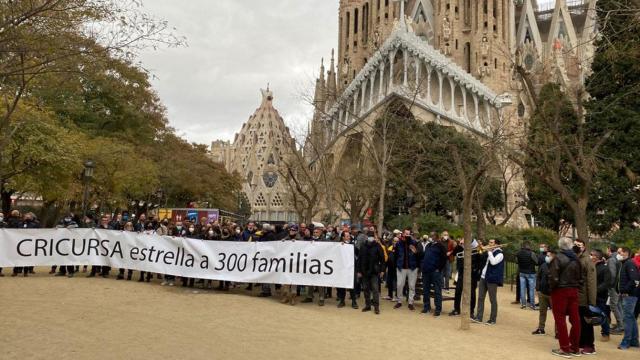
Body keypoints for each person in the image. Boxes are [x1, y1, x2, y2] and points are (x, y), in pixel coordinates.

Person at [548, 237, 582, 358]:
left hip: (560, 290)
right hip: (574, 289)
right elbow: (580, 276)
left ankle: (565, 348)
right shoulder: (576, 259)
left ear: (560, 246)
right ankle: (575, 347)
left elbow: (553, 277)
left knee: (560, 320)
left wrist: (551, 289)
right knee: (575, 319)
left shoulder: (558, 258)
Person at [473, 239, 504, 325]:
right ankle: (479, 317)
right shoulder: (489, 252)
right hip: (484, 277)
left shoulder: (500, 254)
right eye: (489, 242)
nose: (489, 244)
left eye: (491, 243)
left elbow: (493, 262)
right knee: (480, 298)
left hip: (492, 279)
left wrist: (489, 252)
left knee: (492, 299)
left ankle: (492, 319)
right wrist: (482, 250)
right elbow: (480, 255)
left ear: (496, 244)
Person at [574, 239, 597, 355]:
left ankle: (590, 345)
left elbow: (591, 282)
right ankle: (581, 342)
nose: (576, 247)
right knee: (579, 322)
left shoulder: (587, 260)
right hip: (576, 297)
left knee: (587, 322)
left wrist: (592, 301)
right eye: (575, 245)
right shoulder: (575, 258)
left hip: (584, 298)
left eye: (579, 245)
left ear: (584, 247)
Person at [450, 238, 482, 317]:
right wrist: (459, 244)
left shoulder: (477, 250)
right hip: (461, 273)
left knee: (472, 294)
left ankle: (471, 312)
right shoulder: (461, 248)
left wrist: (474, 270)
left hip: (472, 275)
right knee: (458, 291)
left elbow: (480, 263)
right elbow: (454, 253)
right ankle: (457, 309)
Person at [616, 247, 639, 350]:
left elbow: (634, 280)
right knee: (631, 317)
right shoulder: (625, 263)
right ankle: (634, 340)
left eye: (619, 252)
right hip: (628, 295)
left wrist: (625, 290)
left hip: (629, 295)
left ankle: (626, 342)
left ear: (626, 253)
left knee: (627, 318)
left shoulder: (629, 263)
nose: (618, 254)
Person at [357, 230, 385, 314]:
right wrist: (358, 270)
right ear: (367, 237)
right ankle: (368, 305)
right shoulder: (363, 246)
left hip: (374, 271)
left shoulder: (377, 246)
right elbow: (359, 259)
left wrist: (382, 270)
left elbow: (382, 259)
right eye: (369, 236)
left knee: (375, 289)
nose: (371, 238)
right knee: (365, 289)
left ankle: (376, 307)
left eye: (372, 236)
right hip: (364, 271)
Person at [420, 234, 447, 316]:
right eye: (430, 235)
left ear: (437, 237)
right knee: (425, 290)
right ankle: (426, 307)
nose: (431, 237)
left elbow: (444, 258)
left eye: (433, 235)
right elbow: (424, 256)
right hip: (426, 271)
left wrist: (439, 269)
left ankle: (438, 309)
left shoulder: (440, 246)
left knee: (437, 290)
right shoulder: (428, 245)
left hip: (435, 272)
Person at [393, 228, 419, 311]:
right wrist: (397, 265)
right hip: (401, 267)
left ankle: (411, 302)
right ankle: (399, 301)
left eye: (409, 234)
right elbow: (395, 255)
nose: (407, 235)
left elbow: (419, 255)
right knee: (400, 285)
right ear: (403, 234)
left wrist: (415, 251)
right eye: (406, 233)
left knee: (412, 286)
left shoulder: (414, 243)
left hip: (412, 267)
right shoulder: (399, 243)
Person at [302, 227, 328, 305]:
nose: (315, 233)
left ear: (320, 233)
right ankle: (309, 296)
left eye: (316, 232)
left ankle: (321, 298)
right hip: (311, 262)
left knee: (320, 281)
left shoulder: (324, 241)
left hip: (320, 263)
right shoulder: (310, 240)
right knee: (310, 280)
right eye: (314, 232)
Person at [532, 249, 555, 336]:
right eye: (547, 255)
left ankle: (558, 332)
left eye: (549, 256)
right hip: (542, 292)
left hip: (553, 294)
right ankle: (541, 328)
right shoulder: (543, 265)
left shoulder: (557, 266)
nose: (547, 257)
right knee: (542, 311)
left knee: (556, 314)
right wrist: (538, 288)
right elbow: (538, 276)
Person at [591, 249, 612, 342]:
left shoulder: (604, 268)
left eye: (592, 255)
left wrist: (595, 290)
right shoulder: (591, 266)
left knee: (603, 314)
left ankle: (606, 333)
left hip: (601, 296)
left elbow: (606, 283)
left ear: (597, 257)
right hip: (590, 295)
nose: (590, 256)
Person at [336, 230, 358, 309]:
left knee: (352, 285)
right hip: (342, 268)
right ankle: (342, 301)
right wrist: (340, 246)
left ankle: (354, 301)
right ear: (343, 237)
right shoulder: (339, 245)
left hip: (351, 268)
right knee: (342, 285)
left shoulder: (353, 245)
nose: (349, 237)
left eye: (349, 236)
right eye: (347, 236)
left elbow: (358, 253)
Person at [281, 225, 301, 305]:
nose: (291, 231)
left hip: (295, 263)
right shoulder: (286, 238)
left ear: (296, 231)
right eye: (290, 229)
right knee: (286, 281)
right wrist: (282, 242)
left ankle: (293, 298)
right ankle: (285, 297)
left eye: (293, 230)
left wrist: (296, 242)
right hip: (287, 262)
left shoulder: (300, 239)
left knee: (293, 282)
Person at [606, 245, 624, 334]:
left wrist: (610, 285)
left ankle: (620, 326)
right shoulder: (619, 258)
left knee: (614, 305)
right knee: (619, 305)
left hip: (614, 286)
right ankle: (621, 324)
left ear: (609, 250)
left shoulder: (612, 259)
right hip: (619, 286)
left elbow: (612, 274)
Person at [516, 241, 538, 310]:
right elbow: (536, 262)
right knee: (531, 290)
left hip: (522, 272)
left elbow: (516, 261)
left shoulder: (518, 253)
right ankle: (532, 305)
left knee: (522, 289)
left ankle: (523, 304)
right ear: (528, 246)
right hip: (531, 272)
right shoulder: (532, 253)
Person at [383, 233, 400, 301]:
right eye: (394, 241)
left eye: (397, 241)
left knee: (396, 282)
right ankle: (390, 295)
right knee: (389, 281)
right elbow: (387, 258)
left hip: (397, 268)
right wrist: (385, 267)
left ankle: (396, 296)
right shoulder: (390, 248)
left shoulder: (399, 249)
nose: (395, 242)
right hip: (390, 268)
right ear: (392, 241)